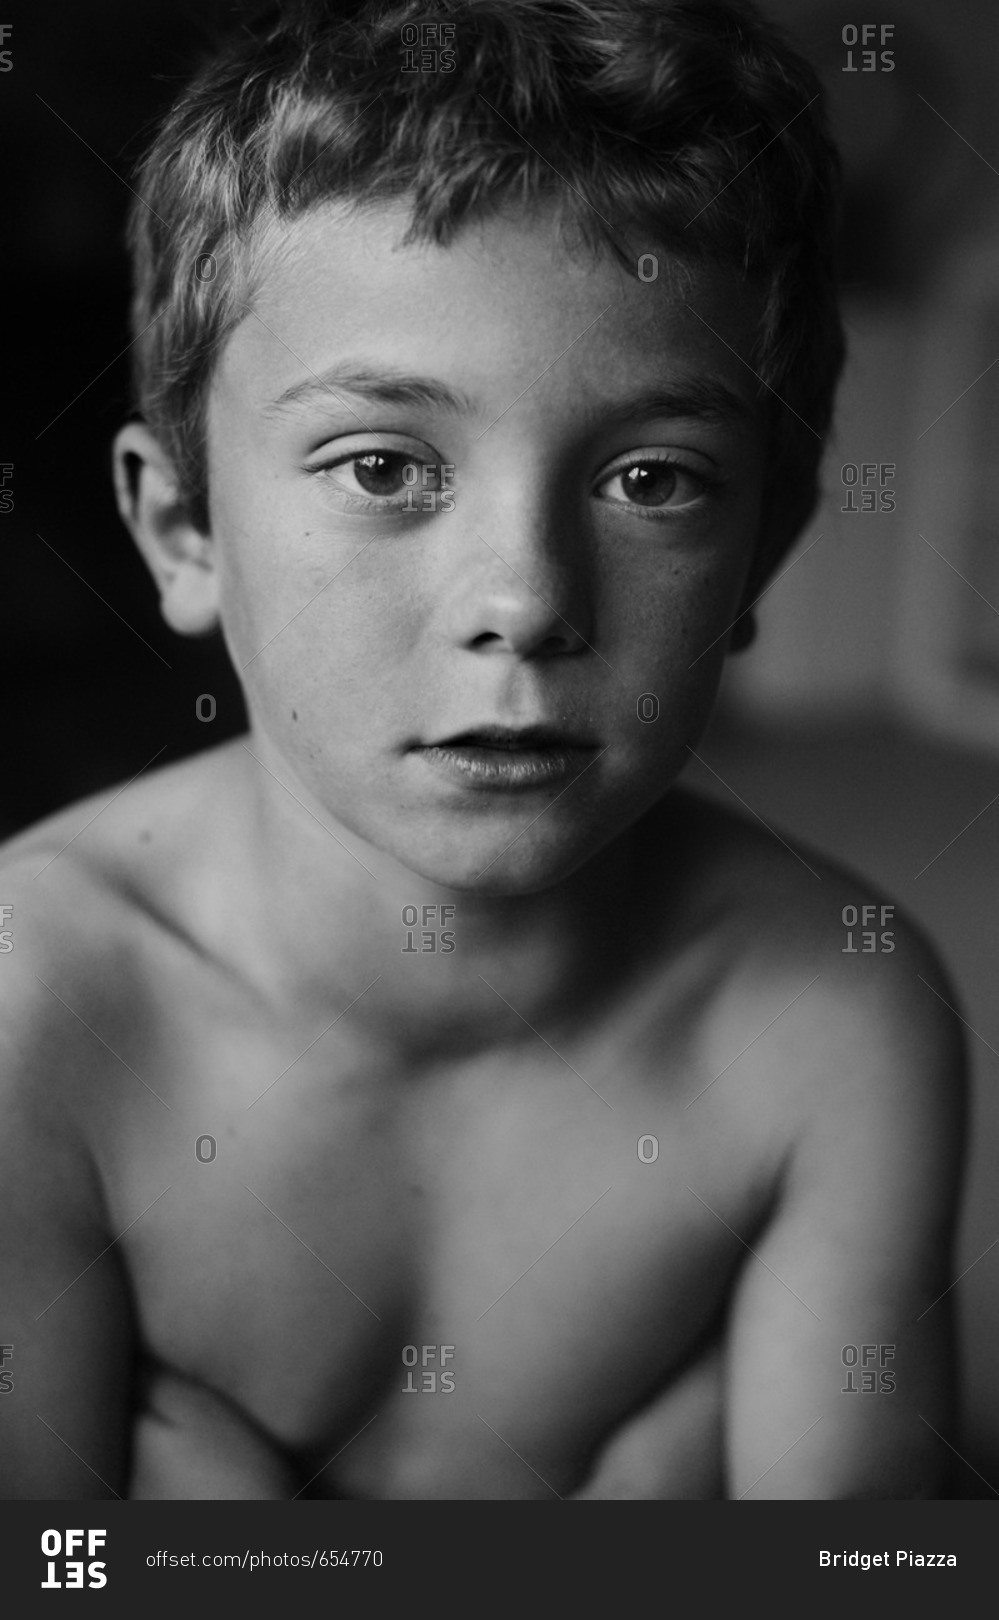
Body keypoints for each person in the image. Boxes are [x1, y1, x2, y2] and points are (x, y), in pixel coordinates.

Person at [0, 0, 966, 1500]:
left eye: (654, 478)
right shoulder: (32, 1014)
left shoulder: (836, 1017)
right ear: (183, 531)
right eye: (383, 465)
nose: (524, 601)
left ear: (761, 554)